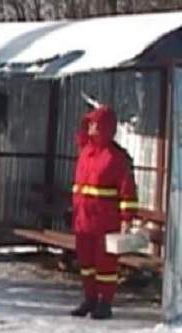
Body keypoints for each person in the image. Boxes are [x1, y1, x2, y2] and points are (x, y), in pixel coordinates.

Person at [70, 105, 138, 320]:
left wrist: (127, 219)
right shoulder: (85, 153)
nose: (91, 128)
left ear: (106, 127)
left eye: (95, 124)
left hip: (105, 222)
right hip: (83, 220)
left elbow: (128, 191)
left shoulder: (117, 157)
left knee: (105, 265)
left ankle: (105, 303)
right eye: (89, 123)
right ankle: (89, 299)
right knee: (86, 263)